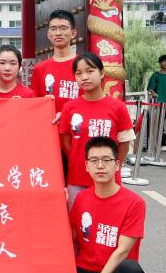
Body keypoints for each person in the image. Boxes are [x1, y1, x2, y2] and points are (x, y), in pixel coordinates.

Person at [32, 135, 146, 273]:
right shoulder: (82, 198)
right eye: (94, 161)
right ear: (86, 166)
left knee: (132, 271)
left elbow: (122, 252)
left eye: (106, 160)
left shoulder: (134, 203)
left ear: (117, 164)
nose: (100, 166)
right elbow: (73, 236)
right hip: (85, 271)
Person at [58, 53, 135, 209]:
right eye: (79, 73)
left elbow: (124, 145)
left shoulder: (118, 107)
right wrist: (80, 160)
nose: (84, 77)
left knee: (106, 220)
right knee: (77, 220)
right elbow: (66, 142)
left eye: (90, 71)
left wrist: (111, 166)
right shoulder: (69, 107)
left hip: (108, 180)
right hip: (77, 179)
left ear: (101, 73)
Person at [30, 10, 81, 112]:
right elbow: (35, 104)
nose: (58, 33)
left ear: (73, 33)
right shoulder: (39, 69)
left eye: (63, 28)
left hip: (76, 121)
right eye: (53, 29)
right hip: (49, 121)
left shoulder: (84, 65)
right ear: (49, 34)